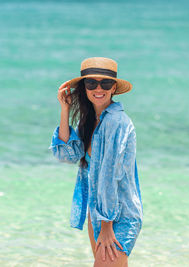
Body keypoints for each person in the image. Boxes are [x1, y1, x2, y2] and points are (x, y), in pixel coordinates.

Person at [49, 57, 143, 267]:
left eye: (105, 83)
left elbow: (111, 174)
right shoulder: (92, 121)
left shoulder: (116, 122)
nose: (98, 88)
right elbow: (66, 156)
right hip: (98, 212)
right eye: (91, 83)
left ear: (114, 88)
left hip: (118, 215)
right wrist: (65, 109)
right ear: (84, 87)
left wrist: (107, 225)